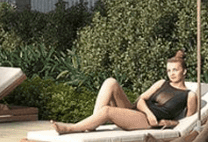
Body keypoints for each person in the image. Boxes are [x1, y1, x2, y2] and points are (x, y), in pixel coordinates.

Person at [52, 50, 197, 135]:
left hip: (146, 122)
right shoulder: (161, 83)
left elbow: (187, 123)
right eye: (169, 70)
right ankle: (93, 122)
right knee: (110, 82)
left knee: (107, 111)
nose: (171, 73)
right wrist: (150, 113)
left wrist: (167, 122)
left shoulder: (189, 95)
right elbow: (141, 100)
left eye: (175, 70)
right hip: (141, 113)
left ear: (184, 71)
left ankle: (70, 128)